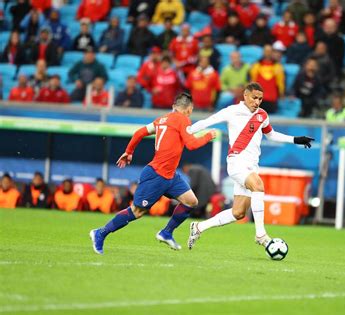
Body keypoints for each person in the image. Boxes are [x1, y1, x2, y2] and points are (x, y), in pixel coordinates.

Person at [187, 82, 314, 250]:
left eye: (260, 99)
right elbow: (206, 122)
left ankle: (198, 227)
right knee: (258, 186)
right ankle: (261, 234)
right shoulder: (232, 111)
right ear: (245, 95)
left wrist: (296, 139)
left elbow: (272, 135)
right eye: (254, 98)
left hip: (252, 165)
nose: (257, 102)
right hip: (237, 162)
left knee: (238, 213)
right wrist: (185, 131)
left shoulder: (262, 115)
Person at [89, 92, 217, 254]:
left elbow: (140, 132)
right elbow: (191, 145)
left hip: (170, 175)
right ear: (189, 109)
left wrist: (129, 152)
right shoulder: (182, 119)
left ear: (174, 107)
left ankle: (166, 232)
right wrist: (208, 136)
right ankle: (100, 233)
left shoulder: (161, 120)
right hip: (156, 174)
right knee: (137, 212)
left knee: (190, 201)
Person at [250, 44, 285, 113]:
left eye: (269, 51)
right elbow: (252, 82)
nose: (267, 53)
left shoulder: (278, 67)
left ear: (272, 52)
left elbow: (281, 83)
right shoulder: (256, 65)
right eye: (266, 51)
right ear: (263, 52)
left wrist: (281, 94)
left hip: (271, 100)